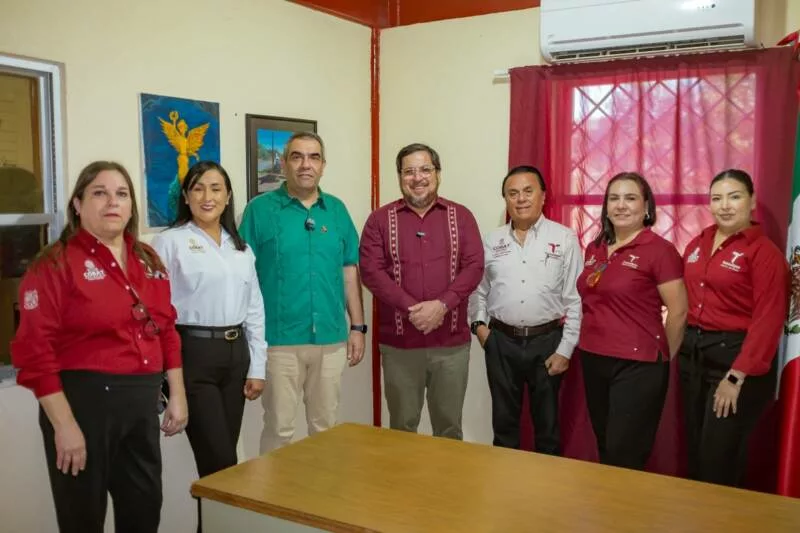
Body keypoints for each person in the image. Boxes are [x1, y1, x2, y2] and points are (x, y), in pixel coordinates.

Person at [10, 161, 188, 533]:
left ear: (131, 205)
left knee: (144, 511)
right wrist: (64, 426)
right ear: (78, 204)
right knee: (82, 518)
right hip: (83, 404)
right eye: (99, 193)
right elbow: (35, 354)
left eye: (121, 194)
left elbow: (166, 329)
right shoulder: (54, 264)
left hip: (140, 404)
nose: (112, 202)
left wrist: (178, 394)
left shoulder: (147, 259)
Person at [240, 132, 366, 453]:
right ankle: (274, 487)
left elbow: (349, 270)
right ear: (283, 163)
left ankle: (321, 485)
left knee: (326, 428)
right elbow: (244, 277)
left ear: (323, 165)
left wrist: (357, 326)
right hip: (278, 341)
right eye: (297, 157)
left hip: (330, 339)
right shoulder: (259, 211)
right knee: (279, 429)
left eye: (314, 157)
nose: (305, 165)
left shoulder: (336, 210)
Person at [360, 143, 484, 440]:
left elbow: (474, 266)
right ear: (400, 176)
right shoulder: (379, 220)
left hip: (451, 347)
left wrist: (442, 305)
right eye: (409, 171)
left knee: (449, 429)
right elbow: (371, 272)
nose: (417, 178)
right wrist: (412, 309)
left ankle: (447, 475)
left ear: (437, 174)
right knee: (402, 431)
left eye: (425, 169)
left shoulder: (461, 216)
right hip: (400, 347)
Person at [152, 161, 267, 479]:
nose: (207, 197)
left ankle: (214, 510)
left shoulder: (240, 247)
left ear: (228, 197)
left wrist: (258, 367)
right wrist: (161, 375)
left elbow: (254, 309)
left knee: (223, 462)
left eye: (216, 189)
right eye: (198, 189)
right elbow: (156, 312)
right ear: (185, 197)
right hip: (193, 355)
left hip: (236, 357)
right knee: (220, 462)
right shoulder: (169, 242)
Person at [679, 169, 789, 487]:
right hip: (693, 358)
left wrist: (735, 377)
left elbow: (768, 320)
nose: (725, 205)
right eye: (717, 198)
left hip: (734, 364)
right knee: (696, 451)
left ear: (751, 201)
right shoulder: (698, 243)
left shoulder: (763, 253)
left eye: (734, 196)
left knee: (718, 458)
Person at [576, 171, 687, 471]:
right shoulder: (595, 247)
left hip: (638, 365)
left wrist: (662, 359)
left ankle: (625, 502)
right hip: (593, 356)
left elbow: (679, 312)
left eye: (630, 198)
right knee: (605, 444)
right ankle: (608, 500)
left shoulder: (660, 251)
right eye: (614, 198)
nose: (621, 205)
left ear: (646, 206)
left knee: (624, 452)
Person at [468, 165, 582, 453]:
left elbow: (576, 299)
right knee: (503, 425)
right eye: (513, 193)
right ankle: (505, 479)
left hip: (548, 343)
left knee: (547, 426)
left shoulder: (564, 238)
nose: (520, 199)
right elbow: (478, 290)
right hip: (500, 343)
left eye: (528, 191)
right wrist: (480, 328)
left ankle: (547, 480)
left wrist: (565, 349)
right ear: (505, 199)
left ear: (543, 196)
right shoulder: (491, 241)